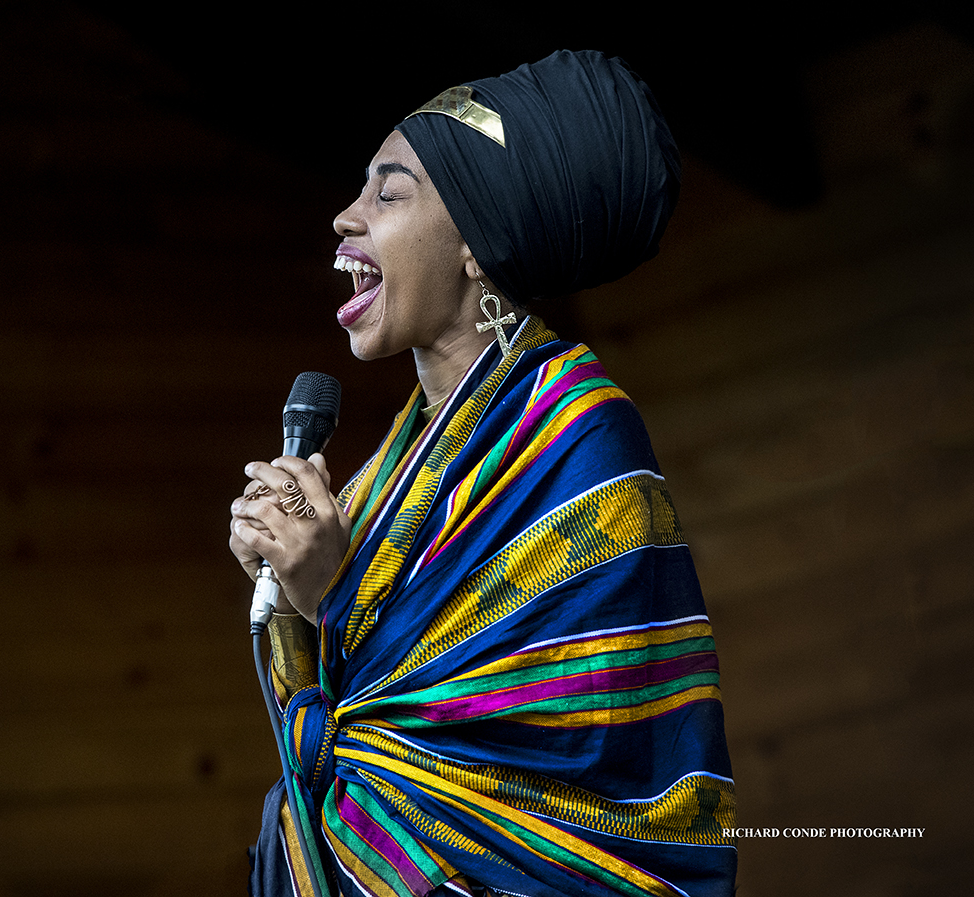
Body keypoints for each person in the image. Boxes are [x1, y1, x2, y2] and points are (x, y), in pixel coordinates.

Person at [229, 50, 736, 897]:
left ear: (476, 242)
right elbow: (350, 716)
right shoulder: (391, 464)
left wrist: (332, 596)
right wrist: (287, 584)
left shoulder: (582, 433)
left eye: (388, 193)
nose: (346, 217)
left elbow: (560, 731)